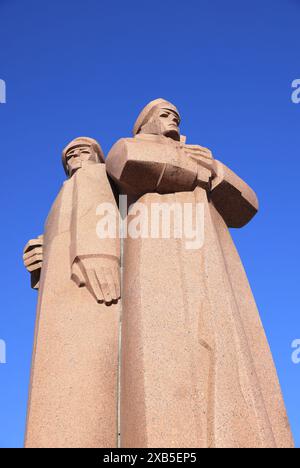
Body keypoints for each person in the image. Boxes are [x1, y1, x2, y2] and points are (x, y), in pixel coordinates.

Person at [105, 99, 294, 448]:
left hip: (212, 256)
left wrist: (216, 170)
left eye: (176, 114)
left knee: (226, 343)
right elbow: (128, 164)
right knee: (163, 345)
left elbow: (248, 206)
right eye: (163, 114)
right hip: (156, 246)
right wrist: (195, 171)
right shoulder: (129, 144)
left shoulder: (204, 156)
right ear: (143, 124)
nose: (173, 117)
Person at [23, 137, 120, 448]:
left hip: (91, 278)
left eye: (83, 150)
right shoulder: (63, 193)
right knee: (56, 378)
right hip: (58, 292)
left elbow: (103, 214)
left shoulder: (97, 176)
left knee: (86, 368)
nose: (75, 157)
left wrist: (101, 254)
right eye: (69, 155)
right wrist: (40, 258)